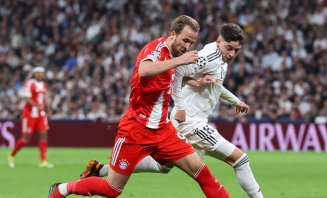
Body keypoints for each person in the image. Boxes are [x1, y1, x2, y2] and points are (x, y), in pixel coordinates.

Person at [48, 15, 230, 198]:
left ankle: (98, 169)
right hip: (135, 130)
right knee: (112, 190)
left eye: (192, 43)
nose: (188, 46)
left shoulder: (174, 56)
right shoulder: (156, 49)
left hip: (163, 130)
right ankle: (61, 190)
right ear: (173, 34)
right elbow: (145, 70)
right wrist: (180, 61)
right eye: (185, 40)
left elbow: (173, 75)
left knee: (202, 173)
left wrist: (197, 82)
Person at [80, 23, 264, 198]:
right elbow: (179, 71)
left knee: (163, 167)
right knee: (240, 159)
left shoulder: (221, 59)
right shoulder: (209, 56)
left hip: (188, 120)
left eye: (236, 50)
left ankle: (101, 169)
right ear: (218, 41)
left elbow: (214, 86)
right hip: (191, 122)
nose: (232, 54)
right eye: (229, 48)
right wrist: (181, 107)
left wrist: (235, 100)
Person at [8, 66, 54, 168]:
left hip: (40, 114)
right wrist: (37, 106)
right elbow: (27, 98)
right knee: (26, 139)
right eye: (38, 73)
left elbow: (44, 98)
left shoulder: (43, 85)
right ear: (34, 74)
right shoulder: (30, 83)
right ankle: (12, 155)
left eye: (42, 73)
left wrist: (48, 110)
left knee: (43, 135)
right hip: (30, 114)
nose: (40, 74)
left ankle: (43, 161)